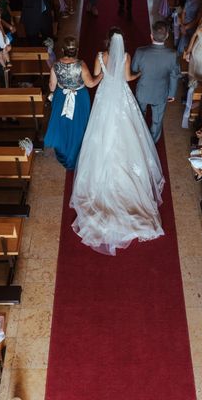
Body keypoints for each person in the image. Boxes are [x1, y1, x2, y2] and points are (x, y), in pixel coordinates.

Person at [70, 28, 164, 256]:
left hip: (105, 96)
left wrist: (105, 72)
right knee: (128, 134)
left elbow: (96, 75)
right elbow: (128, 78)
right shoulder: (126, 57)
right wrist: (138, 74)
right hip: (121, 96)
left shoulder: (100, 56)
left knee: (101, 135)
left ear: (107, 41)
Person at [44, 36, 101, 170]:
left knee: (63, 125)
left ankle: (63, 151)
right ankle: (76, 153)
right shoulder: (81, 65)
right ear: (76, 50)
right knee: (78, 125)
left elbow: (52, 86)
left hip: (61, 97)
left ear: (63, 50)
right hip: (79, 98)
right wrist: (101, 75)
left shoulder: (56, 65)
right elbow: (91, 84)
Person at [133, 21, 181, 143]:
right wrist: (171, 93)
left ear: (151, 36)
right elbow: (174, 75)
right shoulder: (172, 55)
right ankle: (152, 142)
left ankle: (140, 140)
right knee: (157, 120)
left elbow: (133, 69)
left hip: (143, 90)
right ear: (167, 37)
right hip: (161, 92)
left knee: (140, 116)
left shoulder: (140, 51)